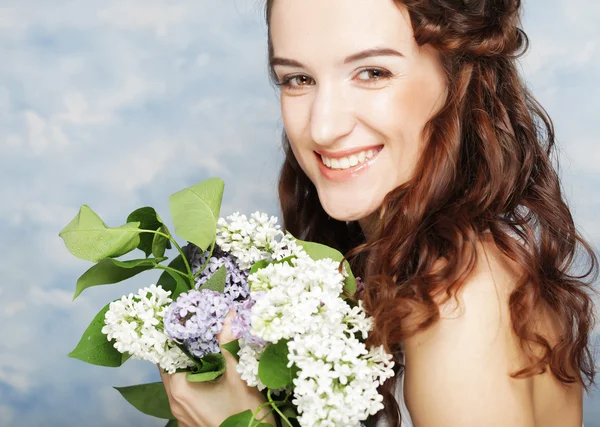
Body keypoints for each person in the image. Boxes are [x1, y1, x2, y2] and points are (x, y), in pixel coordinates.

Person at [160, 0, 599, 426]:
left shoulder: (457, 308)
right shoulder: (423, 268)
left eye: (372, 73)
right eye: (297, 79)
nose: (322, 128)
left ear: (461, 76)